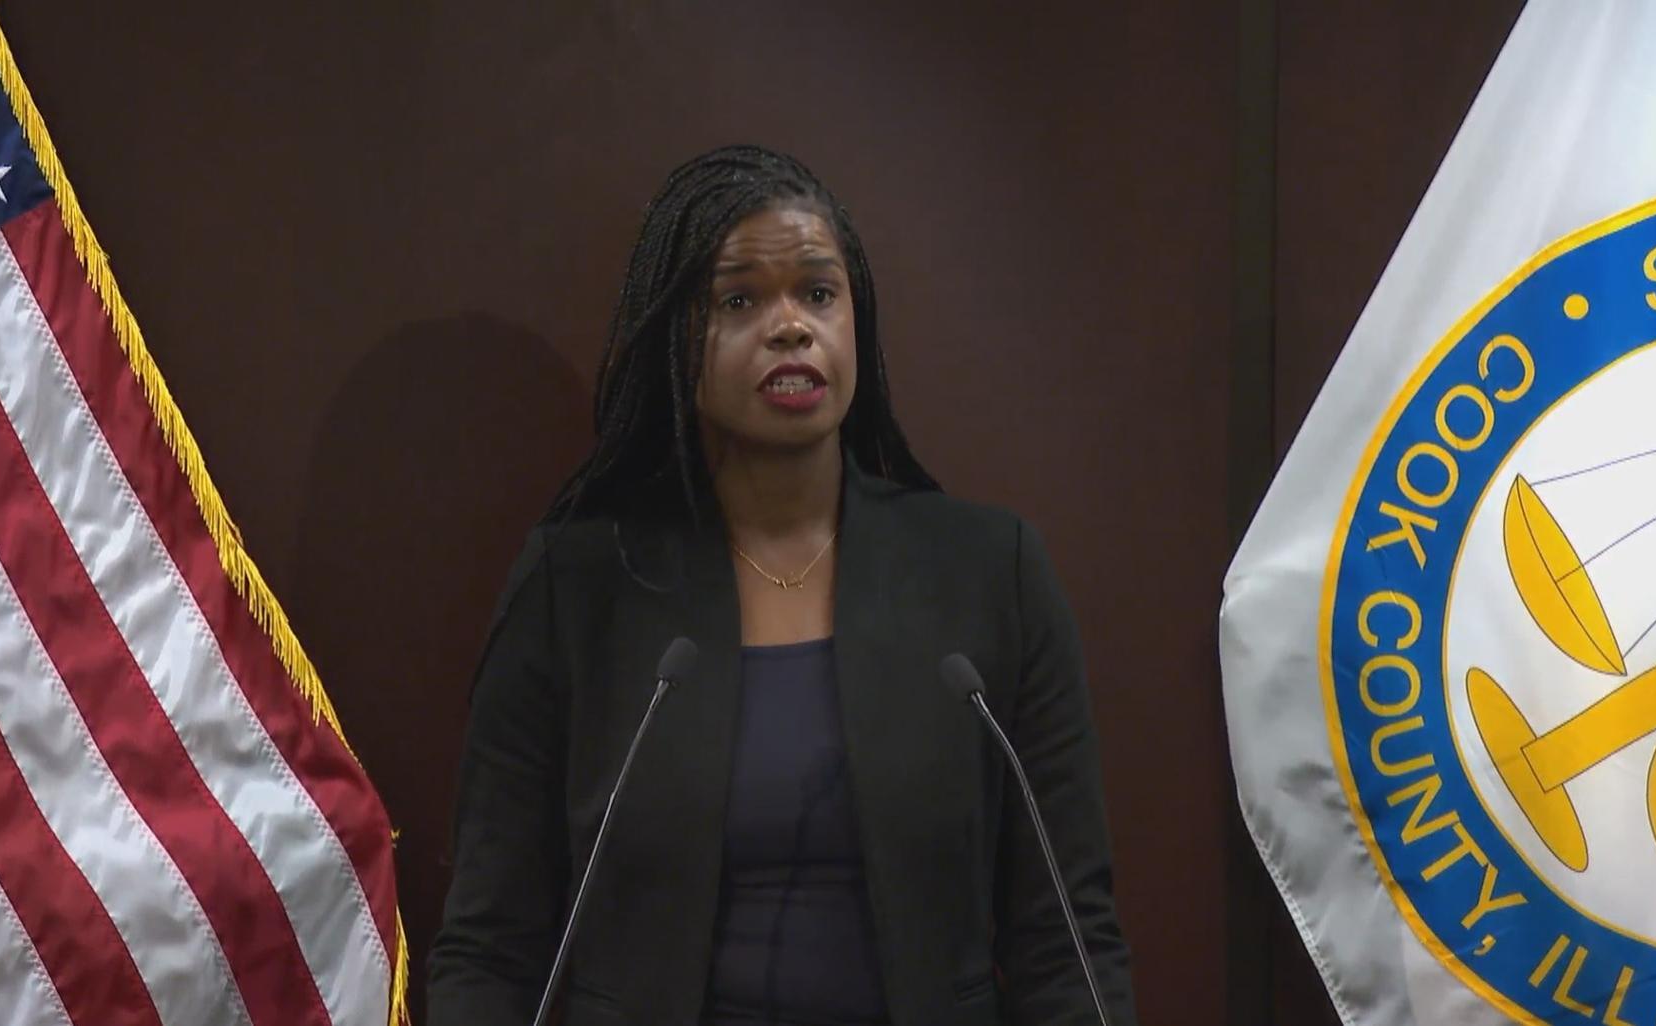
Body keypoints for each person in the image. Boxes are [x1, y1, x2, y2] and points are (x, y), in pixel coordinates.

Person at [427, 145, 1136, 1026]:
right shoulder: (577, 589)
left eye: (817, 292)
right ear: (678, 339)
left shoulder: (991, 574)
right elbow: (493, 946)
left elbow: (1065, 941)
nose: (791, 326)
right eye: (739, 299)